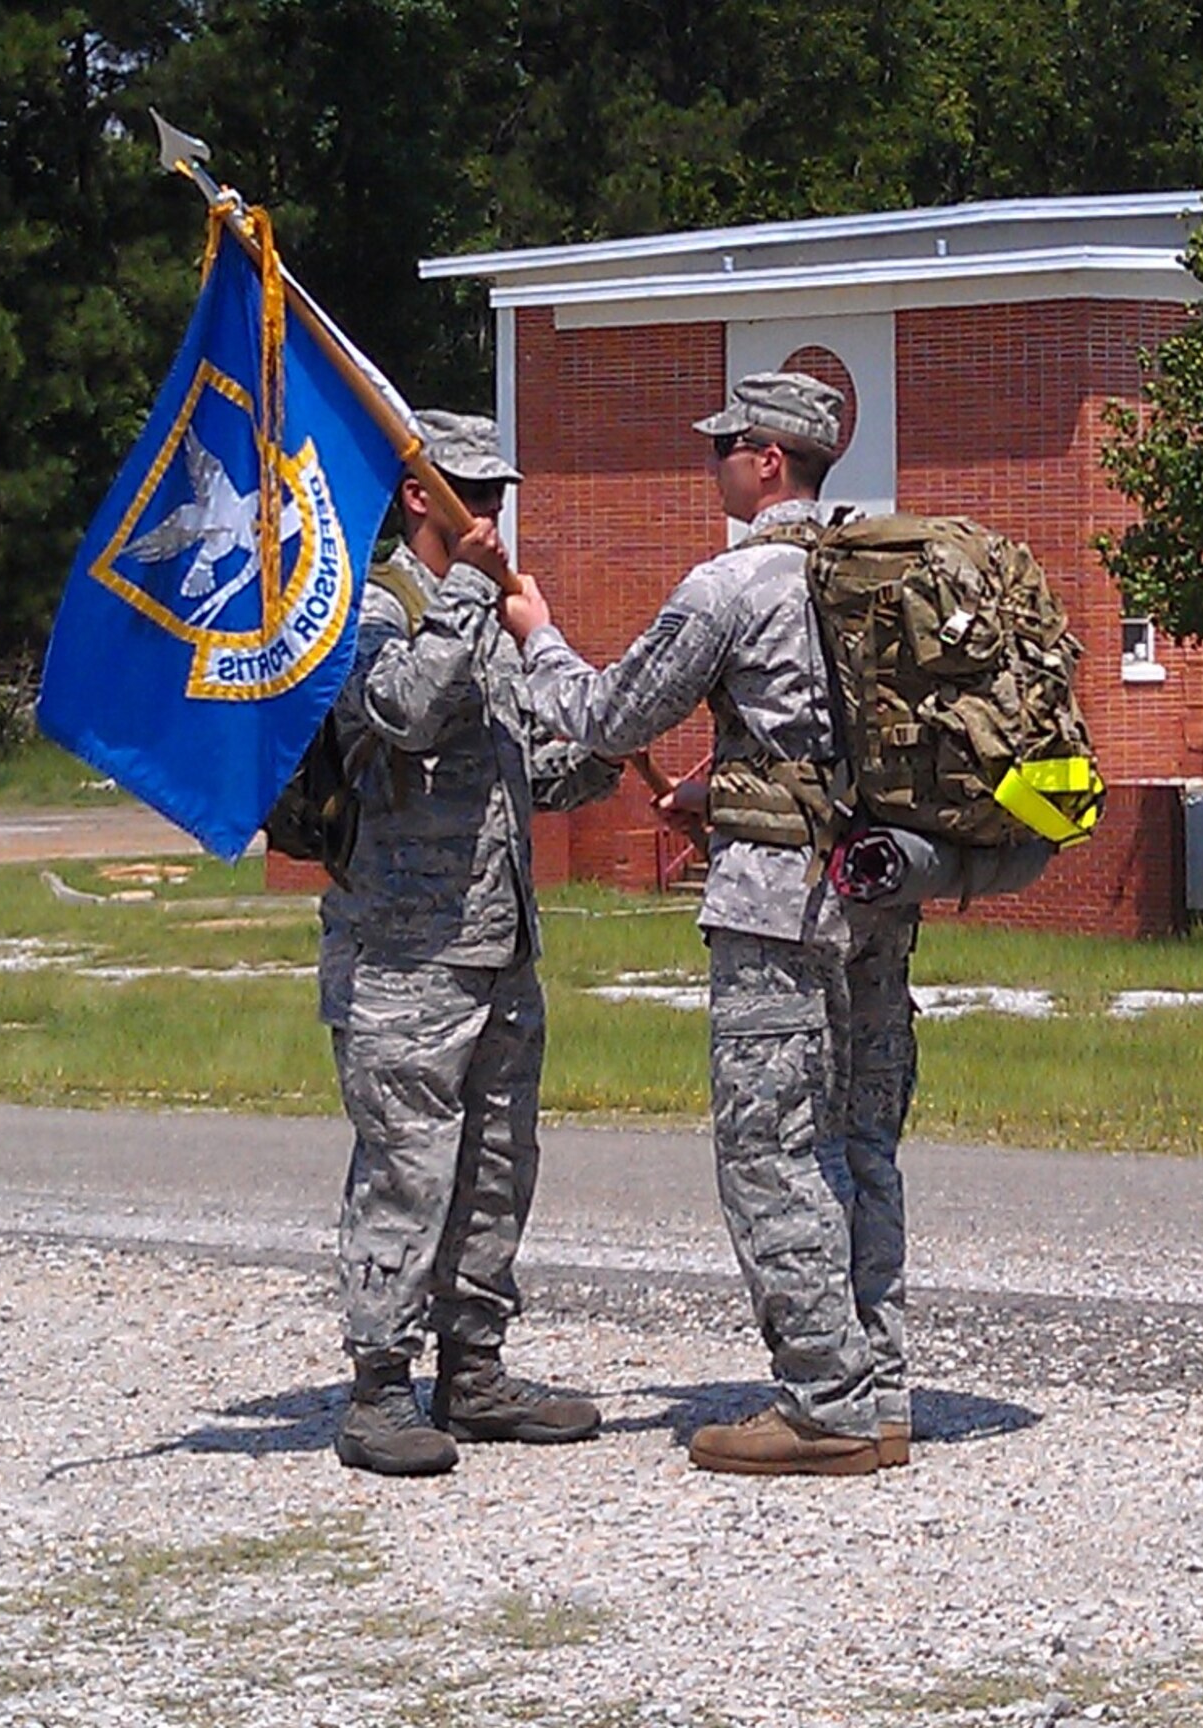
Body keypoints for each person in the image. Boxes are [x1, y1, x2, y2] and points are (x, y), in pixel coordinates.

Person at [496, 372, 918, 1477]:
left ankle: (824, 1404)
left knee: (769, 1148)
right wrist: (716, 792)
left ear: (767, 458)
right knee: (858, 1139)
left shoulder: (733, 584)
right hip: (876, 896)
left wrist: (538, 636)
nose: (710, 461)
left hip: (777, 908)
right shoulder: (871, 573)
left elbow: (603, 715)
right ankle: (878, 1388)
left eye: (722, 444)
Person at [318, 410, 621, 1478]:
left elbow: (524, 770)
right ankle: (376, 1388)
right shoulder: (370, 609)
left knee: (497, 1169)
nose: (490, 515)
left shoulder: (484, 619)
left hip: (497, 946)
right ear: (420, 497)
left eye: (498, 497)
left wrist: (604, 743)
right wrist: (468, 601)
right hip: (402, 956)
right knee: (407, 1172)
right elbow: (397, 712)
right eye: (471, 496)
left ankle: (474, 1368)